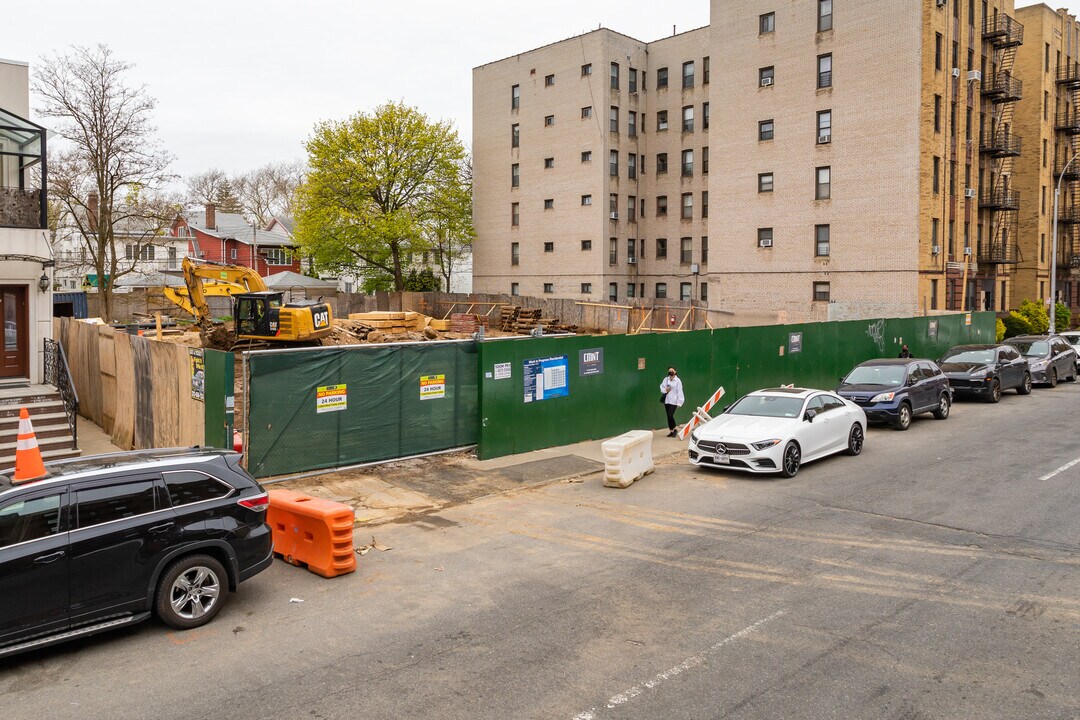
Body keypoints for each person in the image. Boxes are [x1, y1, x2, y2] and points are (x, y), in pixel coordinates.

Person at [660, 367, 685, 437]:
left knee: (670, 415)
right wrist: (665, 390)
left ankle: (675, 429)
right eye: (669, 371)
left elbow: (680, 391)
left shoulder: (678, 381)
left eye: (672, 371)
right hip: (667, 400)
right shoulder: (666, 379)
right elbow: (662, 387)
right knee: (668, 416)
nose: (670, 372)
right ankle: (671, 431)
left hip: (674, 401)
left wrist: (679, 402)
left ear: (675, 371)